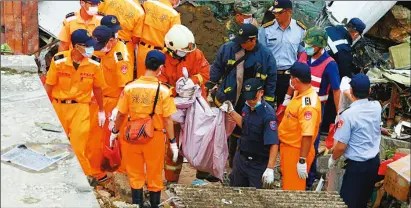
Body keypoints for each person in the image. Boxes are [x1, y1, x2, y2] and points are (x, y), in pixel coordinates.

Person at [109, 50, 178, 208]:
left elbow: (120, 114)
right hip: (154, 137)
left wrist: (114, 132)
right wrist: (173, 142)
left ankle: (137, 205)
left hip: (131, 136)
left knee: (135, 175)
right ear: (160, 68)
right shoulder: (164, 90)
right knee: (154, 175)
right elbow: (168, 119)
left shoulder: (130, 88)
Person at [277, 27, 341, 189]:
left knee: (309, 141)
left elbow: (336, 90)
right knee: (292, 136)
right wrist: (286, 99)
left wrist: (339, 114)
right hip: (297, 102)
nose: (307, 47)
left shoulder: (330, 64)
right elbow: (294, 78)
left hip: (314, 106)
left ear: (321, 46)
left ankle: (307, 178)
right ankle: (288, 169)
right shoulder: (304, 56)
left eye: (311, 45)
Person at [208, 23, 277, 168]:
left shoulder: (266, 56)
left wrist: (268, 106)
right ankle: (217, 165)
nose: (240, 44)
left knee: (245, 132)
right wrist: (210, 85)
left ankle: (237, 164)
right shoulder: (228, 49)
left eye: (243, 42)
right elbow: (217, 68)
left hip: (251, 102)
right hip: (229, 99)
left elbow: (271, 81)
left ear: (253, 40)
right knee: (221, 132)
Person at [44, 29, 106, 175]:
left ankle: (85, 179)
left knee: (78, 149)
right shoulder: (59, 60)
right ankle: (57, 177)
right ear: (77, 46)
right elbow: (49, 86)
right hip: (58, 107)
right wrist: (45, 111)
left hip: (81, 108)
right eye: (88, 45)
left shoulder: (94, 63)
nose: (92, 48)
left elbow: (97, 88)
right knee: (55, 147)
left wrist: (102, 110)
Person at [157, 24, 211, 183]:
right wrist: (176, 90)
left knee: (201, 140)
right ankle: (171, 180)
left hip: (196, 106)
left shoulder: (195, 54)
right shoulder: (161, 59)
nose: (186, 53)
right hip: (174, 108)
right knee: (174, 147)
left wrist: (192, 82)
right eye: (183, 51)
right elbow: (160, 85)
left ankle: (202, 175)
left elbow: (205, 73)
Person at [85, 23, 133, 183]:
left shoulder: (120, 56)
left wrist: (117, 111)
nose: (99, 48)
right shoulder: (106, 48)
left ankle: (120, 173)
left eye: (102, 44)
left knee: (116, 138)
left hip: (114, 101)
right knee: (95, 135)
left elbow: (125, 87)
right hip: (101, 98)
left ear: (111, 40)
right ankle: (97, 171)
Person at [328, 73, 381, 208]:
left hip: (357, 167)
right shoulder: (376, 107)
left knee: (347, 203)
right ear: (369, 91)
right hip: (374, 163)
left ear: (351, 91)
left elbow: (341, 147)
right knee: (362, 202)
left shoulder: (348, 115)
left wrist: (333, 160)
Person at [223, 78, 279, 189]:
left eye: (253, 98)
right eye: (248, 98)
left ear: (261, 93)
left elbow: (274, 143)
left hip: (258, 164)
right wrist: (231, 112)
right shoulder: (247, 107)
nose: (250, 101)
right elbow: (245, 125)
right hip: (241, 160)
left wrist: (270, 168)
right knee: (235, 191)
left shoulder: (268, 115)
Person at [278, 62, 321, 190]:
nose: (290, 81)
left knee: (293, 191)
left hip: (297, 152)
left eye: (291, 78)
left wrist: (302, 160)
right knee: (288, 185)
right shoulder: (300, 93)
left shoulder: (308, 105)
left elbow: (307, 135)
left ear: (296, 80)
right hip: (289, 148)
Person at [322, 17, 366, 135]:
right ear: (355, 34)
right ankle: (326, 127)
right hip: (324, 75)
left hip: (311, 66)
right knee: (335, 93)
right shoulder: (343, 49)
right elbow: (344, 77)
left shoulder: (330, 28)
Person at [258, 0, 306, 108]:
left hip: (288, 77)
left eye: (279, 12)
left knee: (285, 108)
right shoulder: (265, 29)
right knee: (264, 107)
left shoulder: (300, 30)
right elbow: (260, 54)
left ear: (289, 12)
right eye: (274, 12)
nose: (276, 15)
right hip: (269, 74)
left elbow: (302, 54)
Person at [98, 0, 145, 79]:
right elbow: (136, 38)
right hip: (124, 46)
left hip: (103, 40)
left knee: (101, 73)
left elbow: (99, 14)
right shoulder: (139, 12)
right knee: (123, 76)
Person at [137, 0, 181, 78]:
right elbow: (175, 39)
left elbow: (138, 23)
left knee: (141, 80)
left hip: (142, 49)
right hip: (159, 54)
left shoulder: (148, 3)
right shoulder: (173, 15)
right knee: (155, 83)